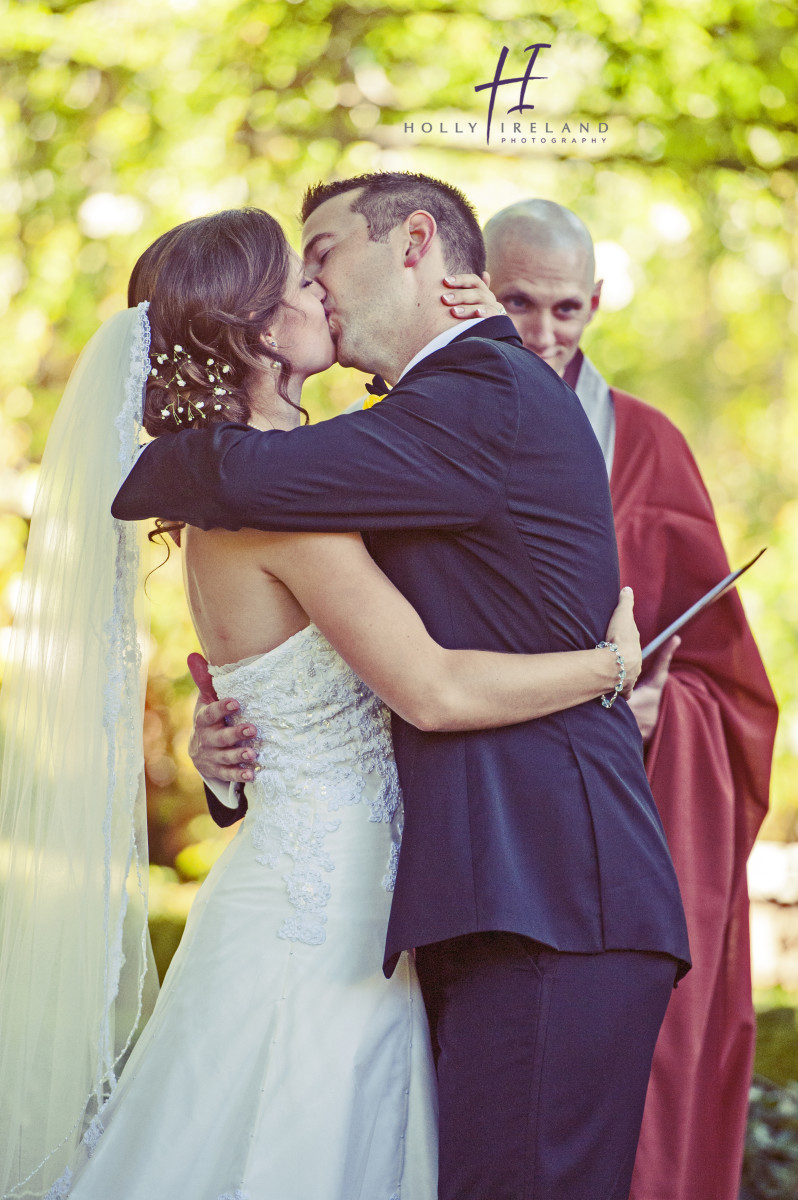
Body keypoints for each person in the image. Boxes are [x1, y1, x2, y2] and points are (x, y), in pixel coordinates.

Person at [0, 207, 646, 1200]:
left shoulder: (252, 498)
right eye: (301, 281)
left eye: (322, 265)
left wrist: (475, 336)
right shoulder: (276, 502)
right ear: (260, 332)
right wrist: (607, 668)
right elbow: (426, 686)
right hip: (337, 904)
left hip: (316, 885)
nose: (321, 291)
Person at [483, 197, 779, 1200]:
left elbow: (730, 685)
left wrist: (664, 717)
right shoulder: (411, 428)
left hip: (612, 833)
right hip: (471, 829)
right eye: (517, 301)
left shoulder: (647, 449)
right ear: (472, 290)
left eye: (567, 308)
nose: (543, 332)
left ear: (598, 301)